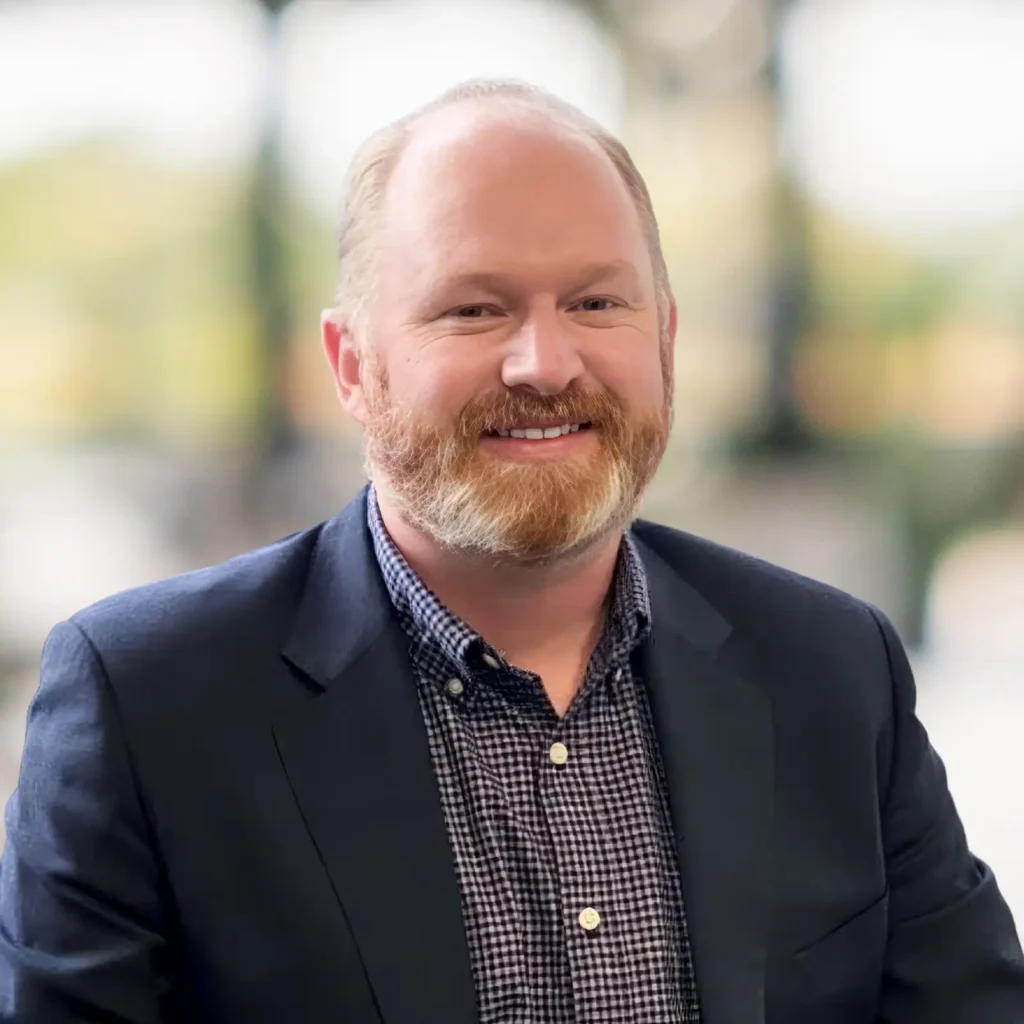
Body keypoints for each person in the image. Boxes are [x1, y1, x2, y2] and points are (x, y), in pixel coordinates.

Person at [0, 78, 1021, 1024]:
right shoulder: (148, 702)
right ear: (351, 365)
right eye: (474, 309)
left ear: (663, 341)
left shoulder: (831, 668)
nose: (543, 362)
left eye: (595, 302)